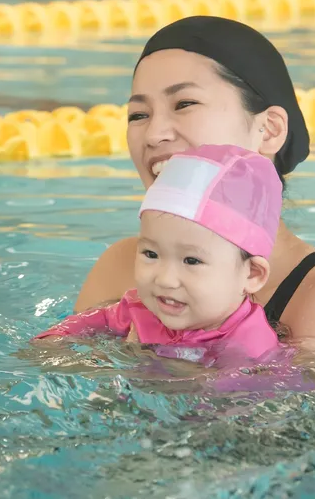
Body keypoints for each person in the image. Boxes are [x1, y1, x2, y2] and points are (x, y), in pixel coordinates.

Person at [74, 16, 315, 349]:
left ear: (271, 129)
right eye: (138, 115)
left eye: (185, 104)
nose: (153, 134)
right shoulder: (120, 265)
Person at [35, 144, 283, 368]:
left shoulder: (250, 347)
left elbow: (227, 406)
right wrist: (53, 342)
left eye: (191, 260)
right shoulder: (140, 307)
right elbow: (93, 321)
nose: (165, 280)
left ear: (251, 274)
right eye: (151, 254)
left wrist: (146, 364)